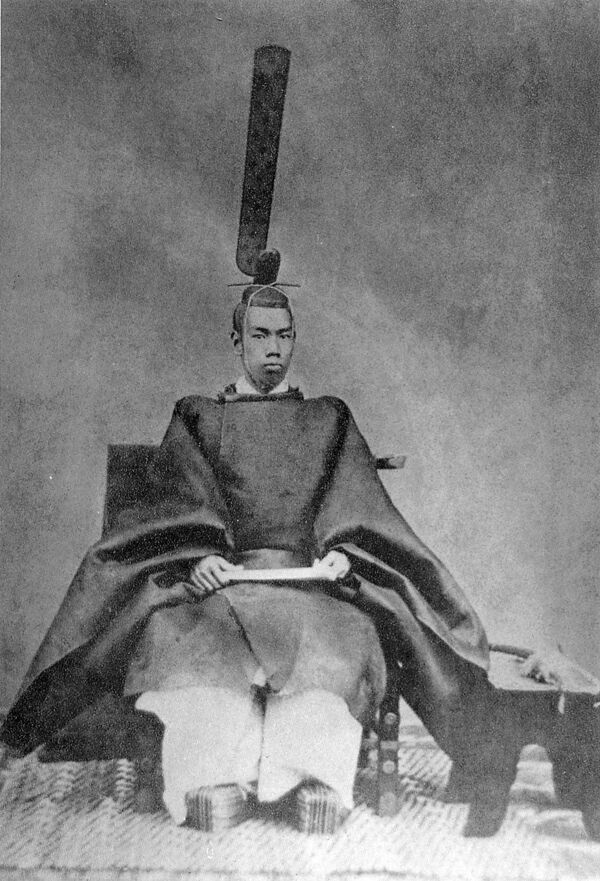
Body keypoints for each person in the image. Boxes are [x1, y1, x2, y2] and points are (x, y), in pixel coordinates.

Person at [1, 276, 509, 834]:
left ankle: (312, 780)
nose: (273, 348)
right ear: (237, 341)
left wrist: (343, 552)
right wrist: (197, 558)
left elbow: (356, 503)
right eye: (260, 335)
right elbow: (177, 503)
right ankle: (216, 781)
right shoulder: (198, 416)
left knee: (332, 657)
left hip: (311, 586)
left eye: (284, 336)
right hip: (223, 586)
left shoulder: (328, 418)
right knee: (197, 658)